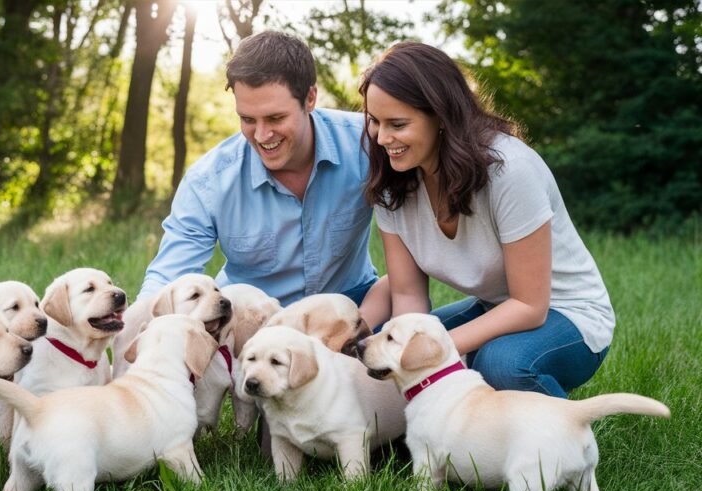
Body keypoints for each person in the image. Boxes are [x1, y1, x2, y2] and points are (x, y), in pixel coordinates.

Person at [359, 42, 614, 398]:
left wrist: (439, 352)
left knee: (501, 365)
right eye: (375, 121)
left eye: (397, 124)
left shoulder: (508, 170)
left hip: (566, 313)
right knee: (382, 351)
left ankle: (566, 442)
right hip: (496, 307)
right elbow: (407, 296)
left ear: (441, 116)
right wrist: (405, 354)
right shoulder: (393, 182)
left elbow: (529, 306)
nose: (383, 139)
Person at [137, 30, 384, 316]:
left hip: (352, 308)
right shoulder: (208, 181)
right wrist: (139, 330)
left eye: (276, 118)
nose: (262, 135)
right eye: (247, 119)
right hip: (254, 323)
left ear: (310, 98)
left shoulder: (368, 144)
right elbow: (167, 278)